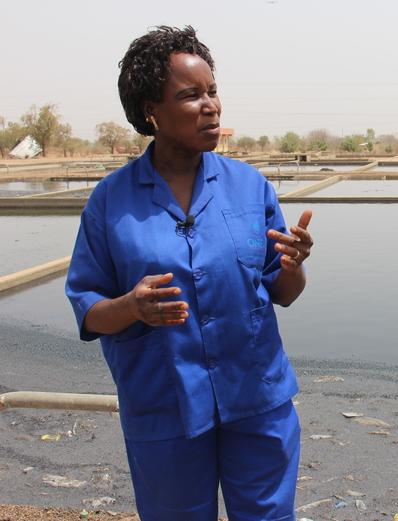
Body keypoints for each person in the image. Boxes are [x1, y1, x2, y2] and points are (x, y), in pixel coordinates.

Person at [65, 26, 312, 521]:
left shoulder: (249, 187)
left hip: (257, 398)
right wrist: (131, 307)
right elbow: (89, 311)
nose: (210, 106)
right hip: (165, 407)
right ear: (150, 111)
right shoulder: (111, 202)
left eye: (213, 91)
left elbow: (283, 293)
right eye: (190, 95)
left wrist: (294, 264)